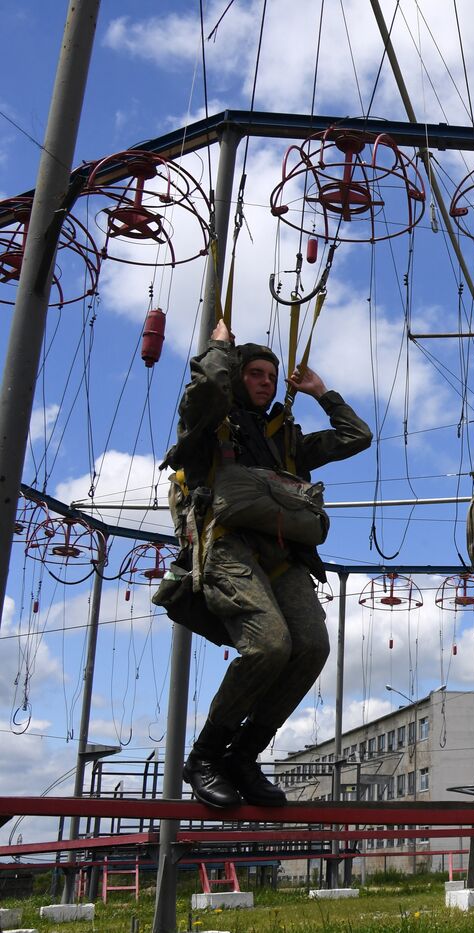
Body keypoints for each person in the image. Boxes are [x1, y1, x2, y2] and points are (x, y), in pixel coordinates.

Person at [160, 319, 372, 808]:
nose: (265, 382)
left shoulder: (287, 440)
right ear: (236, 377)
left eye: (271, 376)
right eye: (255, 373)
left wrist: (321, 392)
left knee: (312, 646)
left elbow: (356, 436)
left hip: (281, 557)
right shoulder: (209, 425)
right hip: (227, 545)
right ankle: (207, 756)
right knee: (270, 644)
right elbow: (209, 387)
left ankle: (244, 756)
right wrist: (218, 351)